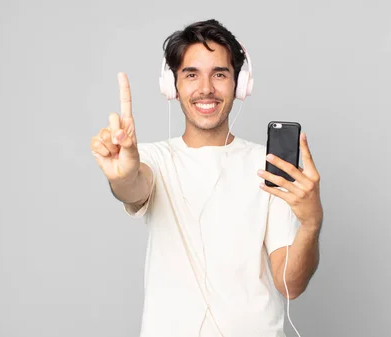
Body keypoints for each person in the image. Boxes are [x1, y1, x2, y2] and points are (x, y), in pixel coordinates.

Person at [90, 19, 323, 337]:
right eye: (191, 74)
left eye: (220, 74)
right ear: (172, 85)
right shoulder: (153, 159)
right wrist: (125, 174)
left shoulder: (267, 165)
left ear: (240, 85)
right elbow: (133, 186)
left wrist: (311, 224)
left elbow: (291, 285)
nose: (206, 89)